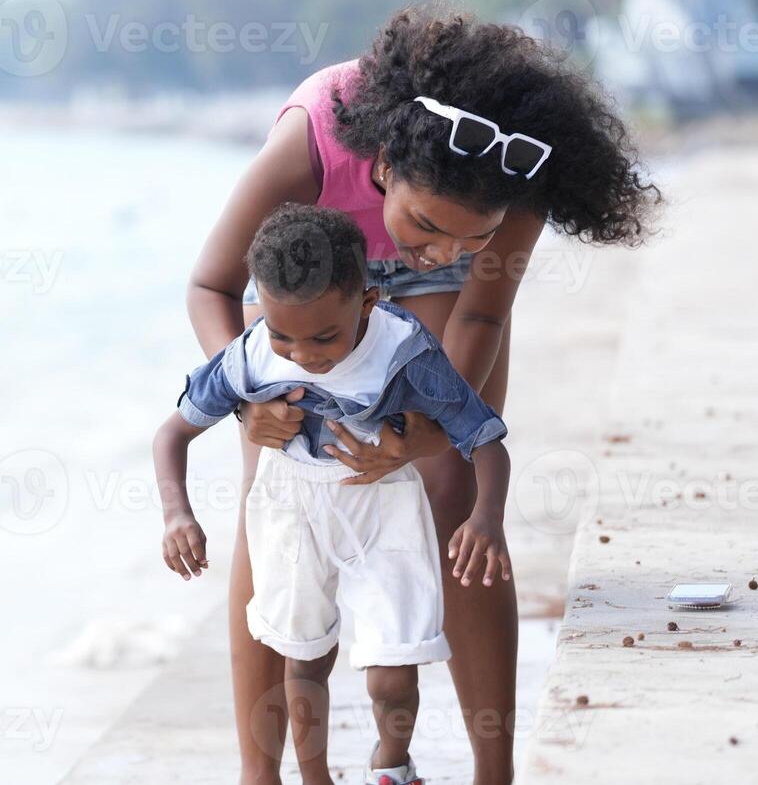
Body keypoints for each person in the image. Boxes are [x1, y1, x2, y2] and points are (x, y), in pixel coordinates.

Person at [186, 2, 659, 784]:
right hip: (310, 282)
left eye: (471, 232)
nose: (444, 242)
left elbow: (480, 307)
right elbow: (210, 284)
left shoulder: (515, 175)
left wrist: (427, 431)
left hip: (449, 296)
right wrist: (245, 403)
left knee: (449, 482)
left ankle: (492, 768)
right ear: (384, 166)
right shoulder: (315, 143)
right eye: (427, 221)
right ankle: (259, 772)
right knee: (275, 488)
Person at [155, 204, 513, 785]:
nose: (305, 354)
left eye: (325, 336)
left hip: (382, 505)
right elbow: (173, 433)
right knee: (305, 656)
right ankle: (315, 775)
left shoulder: (405, 351)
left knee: (393, 672)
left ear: (368, 303)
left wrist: (486, 518)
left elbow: (484, 437)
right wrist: (177, 514)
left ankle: (391, 764)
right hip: (291, 506)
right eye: (283, 335)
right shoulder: (250, 354)